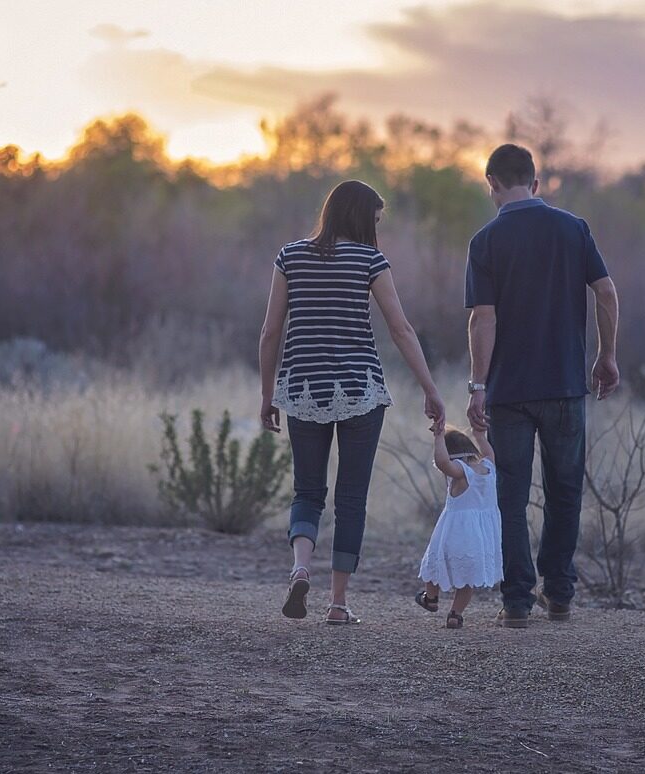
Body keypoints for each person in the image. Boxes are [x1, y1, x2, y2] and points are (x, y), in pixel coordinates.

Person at [259, 179, 445, 625]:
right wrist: (430, 389)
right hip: (360, 390)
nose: (377, 229)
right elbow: (400, 329)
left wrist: (268, 395)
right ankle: (338, 603)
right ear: (362, 218)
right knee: (351, 499)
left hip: (302, 389)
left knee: (307, 491)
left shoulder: (290, 257)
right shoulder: (370, 260)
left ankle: (301, 566)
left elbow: (270, 332)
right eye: (376, 220)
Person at [464, 144, 621, 628]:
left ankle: (515, 601)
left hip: (510, 391)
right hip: (566, 385)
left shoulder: (485, 241)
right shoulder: (573, 229)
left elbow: (482, 320)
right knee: (565, 490)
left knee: (510, 496)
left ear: (491, 183)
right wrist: (607, 355)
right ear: (536, 183)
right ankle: (559, 594)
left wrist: (477, 385)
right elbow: (607, 292)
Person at [415, 425, 502, 629]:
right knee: (467, 578)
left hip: (455, 533)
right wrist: (480, 435)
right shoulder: (489, 467)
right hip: (480, 537)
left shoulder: (461, 472)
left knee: (434, 564)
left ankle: (431, 598)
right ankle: (455, 614)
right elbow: (489, 452)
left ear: (454, 456)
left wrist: (438, 438)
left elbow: (442, 462)